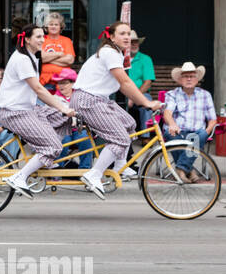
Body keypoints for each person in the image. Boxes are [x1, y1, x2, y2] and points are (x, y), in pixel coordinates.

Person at [70, 24, 164, 197]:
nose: (127, 37)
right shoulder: (109, 53)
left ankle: (121, 165)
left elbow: (124, 85)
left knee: (129, 123)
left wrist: (140, 101)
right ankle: (94, 174)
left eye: (128, 34)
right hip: (87, 100)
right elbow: (125, 82)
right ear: (112, 37)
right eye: (122, 34)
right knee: (119, 138)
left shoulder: (117, 54)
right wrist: (146, 102)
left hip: (99, 99)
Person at [0, 24, 76, 198]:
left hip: (29, 109)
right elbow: (38, 89)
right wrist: (62, 106)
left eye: (43, 36)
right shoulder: (22, 59)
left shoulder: (33, 56)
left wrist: (64, 111)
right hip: (15, 112)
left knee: (63, 118)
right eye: (38, 37)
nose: (42, 40)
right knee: (53, 146)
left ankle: (42, 158)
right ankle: (20, 177)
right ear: (27, 39)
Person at [162, 61, 218, 182]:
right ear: (180, 80)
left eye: (192, 76)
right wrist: (172, 124)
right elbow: (167, 113)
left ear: (197, 79)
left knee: (200, 136)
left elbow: (213, 119)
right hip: (178, 132)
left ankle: (181, 170)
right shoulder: (172, 94)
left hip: (197, 133)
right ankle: (190, 170)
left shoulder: (205, 95)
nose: (189, 79)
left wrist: (207, 131)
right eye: (185, 76)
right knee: (172, 136)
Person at [51, 68, 93, 169]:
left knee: (86, 140)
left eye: (64, 83)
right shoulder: (53, 98)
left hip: (79, 128)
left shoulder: (80, 97)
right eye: (59, 83)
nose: (60, 86)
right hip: (62, 129)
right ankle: (57, 172)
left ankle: (85, 171)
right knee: (62, 143)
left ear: (72, 83)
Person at [125, 32, 156, 129]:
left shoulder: (145, 59)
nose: (134, 44)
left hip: (141, 93)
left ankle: (145, 136)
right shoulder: (120, 58)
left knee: (147, 105)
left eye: (136, 42)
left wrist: (134, 97)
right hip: (122, 93)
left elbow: (148, 82)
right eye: (131, 42)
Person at [38, 12, 75, 85]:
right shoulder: (41, 39)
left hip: (63, 82)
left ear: (61, 26)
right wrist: (59, 54)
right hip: (44, 81)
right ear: (46, 26)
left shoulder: (66, 40)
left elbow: (70, 60)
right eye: (51, 24)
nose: (53, 27)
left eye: (56, 24)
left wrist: (47, 60)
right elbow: (40, 58)